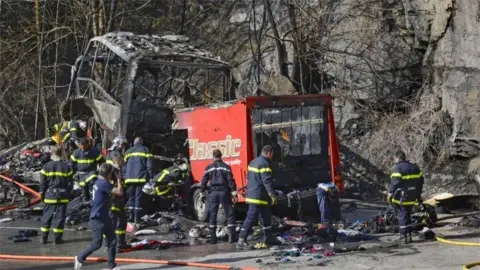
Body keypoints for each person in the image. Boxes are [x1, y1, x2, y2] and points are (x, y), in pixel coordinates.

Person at [75, 163, 122, 270]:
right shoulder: (103, 183)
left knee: (112, 241)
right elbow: (119, 192)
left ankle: (111, 266)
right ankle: (79, 257)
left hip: (104, 217)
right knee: (97, 244)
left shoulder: (100, 182)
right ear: (108, 174)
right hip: (97, 218)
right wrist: (119, 179)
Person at [236, 145, 281, 250]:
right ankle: (241, 240)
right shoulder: (264, 164)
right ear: (269, 153)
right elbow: (267, 181)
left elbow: (248, 178)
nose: (272, 156)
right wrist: (272, 194)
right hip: (259, 196)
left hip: (255, 194)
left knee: (266, 217)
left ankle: (269, 238)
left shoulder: (253, 162)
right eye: (272, 154)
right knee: (251, 217)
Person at [200, 149, 237, 244]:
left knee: (212, 214)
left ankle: (213, 239)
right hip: (224, 192)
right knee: (229, 213)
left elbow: (204, 180)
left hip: (213, 193)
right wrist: (234, 192)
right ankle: (231, 237)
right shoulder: (226, 167)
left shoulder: (208, 167)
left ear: (213, 156)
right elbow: (230, 180)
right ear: (221, 156)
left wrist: (202, 192)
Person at [387, 150, 424, 244]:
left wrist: (390, 194)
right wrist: (418, 196)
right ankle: (409, 235)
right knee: (407, 214)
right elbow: (420, 182)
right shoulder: (415, 167)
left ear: (397, 158)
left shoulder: (398, 168)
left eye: (394, 159)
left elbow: (394, 182)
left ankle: (404, 235)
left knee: (402, 214)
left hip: (402, 196)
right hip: (412, 196)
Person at [39, 145, 73, 244]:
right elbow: (70, 183)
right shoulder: (66, 166)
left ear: (52, 154)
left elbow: (43, 183)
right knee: (60, 217)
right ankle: (58, 239)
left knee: (47, 216)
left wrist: (42, 194)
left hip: (50, 196)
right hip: (63, 196)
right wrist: (69, 193)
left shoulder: (46, 166)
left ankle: (44, 238)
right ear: (62, 153)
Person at [124, 137, 153, 224]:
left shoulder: (128, 151)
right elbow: (149, 166)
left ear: (134, 143)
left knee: (131, 197)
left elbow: (124, 165)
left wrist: (124, 176)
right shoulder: (146, 150)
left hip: (129, 178)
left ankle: (131, 217)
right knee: (138, 197)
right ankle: (137, 219)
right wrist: (151, 177)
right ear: (142, 143)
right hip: (140, 178)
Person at [70, 137, 105, 202]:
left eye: (84, 146)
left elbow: (101, 161)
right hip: (81, 175)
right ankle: (85, 206)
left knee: (92, 188)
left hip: (91, 173)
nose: (83, 148)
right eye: (81, 146)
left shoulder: (94, 151)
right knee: (84, 193)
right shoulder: (76, 152)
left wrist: (100, 171)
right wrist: (72, 173)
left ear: (88, 144)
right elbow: (71, 164)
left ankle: (93, 203)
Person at [109, 156, 130, 251]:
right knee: (118, 222)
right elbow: (116, 187)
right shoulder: (115, 171)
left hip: (116, 200)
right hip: (115, 200)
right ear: (119, 162)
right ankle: (117, 244)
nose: (123, 164)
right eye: (122, 162)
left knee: (119, 221)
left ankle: (118, 243)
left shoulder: (112, 170)